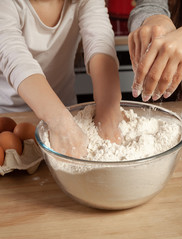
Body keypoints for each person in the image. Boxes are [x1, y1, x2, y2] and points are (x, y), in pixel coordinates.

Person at [0, 0, 122, 158]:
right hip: (10, 118)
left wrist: (108, 109)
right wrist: (60, 123)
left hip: (69, 114)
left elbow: (100, 42)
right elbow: (15, 58)